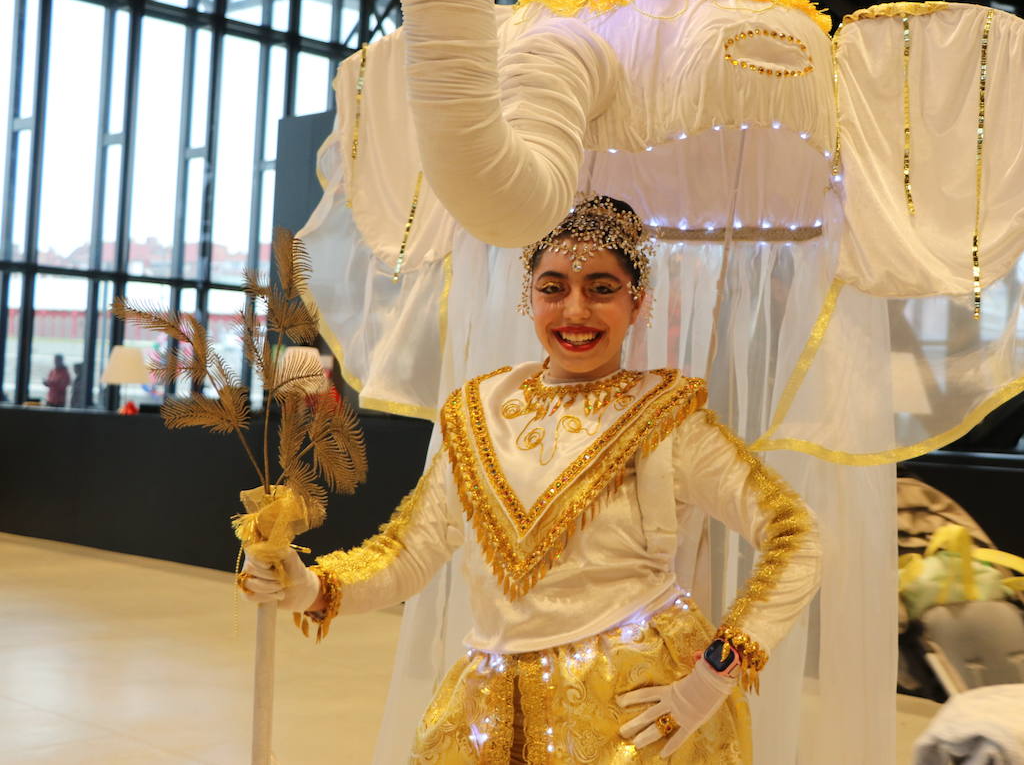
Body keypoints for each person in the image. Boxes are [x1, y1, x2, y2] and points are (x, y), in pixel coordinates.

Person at [239, 196, 820, 764]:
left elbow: (795, 537)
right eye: (553, 288)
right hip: (487, 709)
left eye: (601, 288)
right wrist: (310, 587)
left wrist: (709, 681)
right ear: (530, 298)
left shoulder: (667, 418)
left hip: (632, 715)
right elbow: (410, 553)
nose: (575, 311)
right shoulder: (480, 411)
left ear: (636, 302)